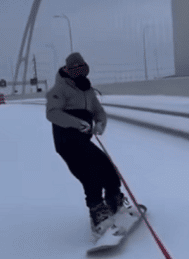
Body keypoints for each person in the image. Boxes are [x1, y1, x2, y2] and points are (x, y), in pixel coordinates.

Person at [45, 52, 127, 239]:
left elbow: (99, 112)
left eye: (81, 69)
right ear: (67, 70)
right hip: (66, 140)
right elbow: (52, 113)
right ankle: (97, 213)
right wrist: (77, 123)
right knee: (90, 171)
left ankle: (114, 200)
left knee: (106, 165)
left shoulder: (88, 91)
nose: (78, 73)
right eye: (73, 69)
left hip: (83, 139)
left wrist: (99, 124)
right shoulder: (58, 90)